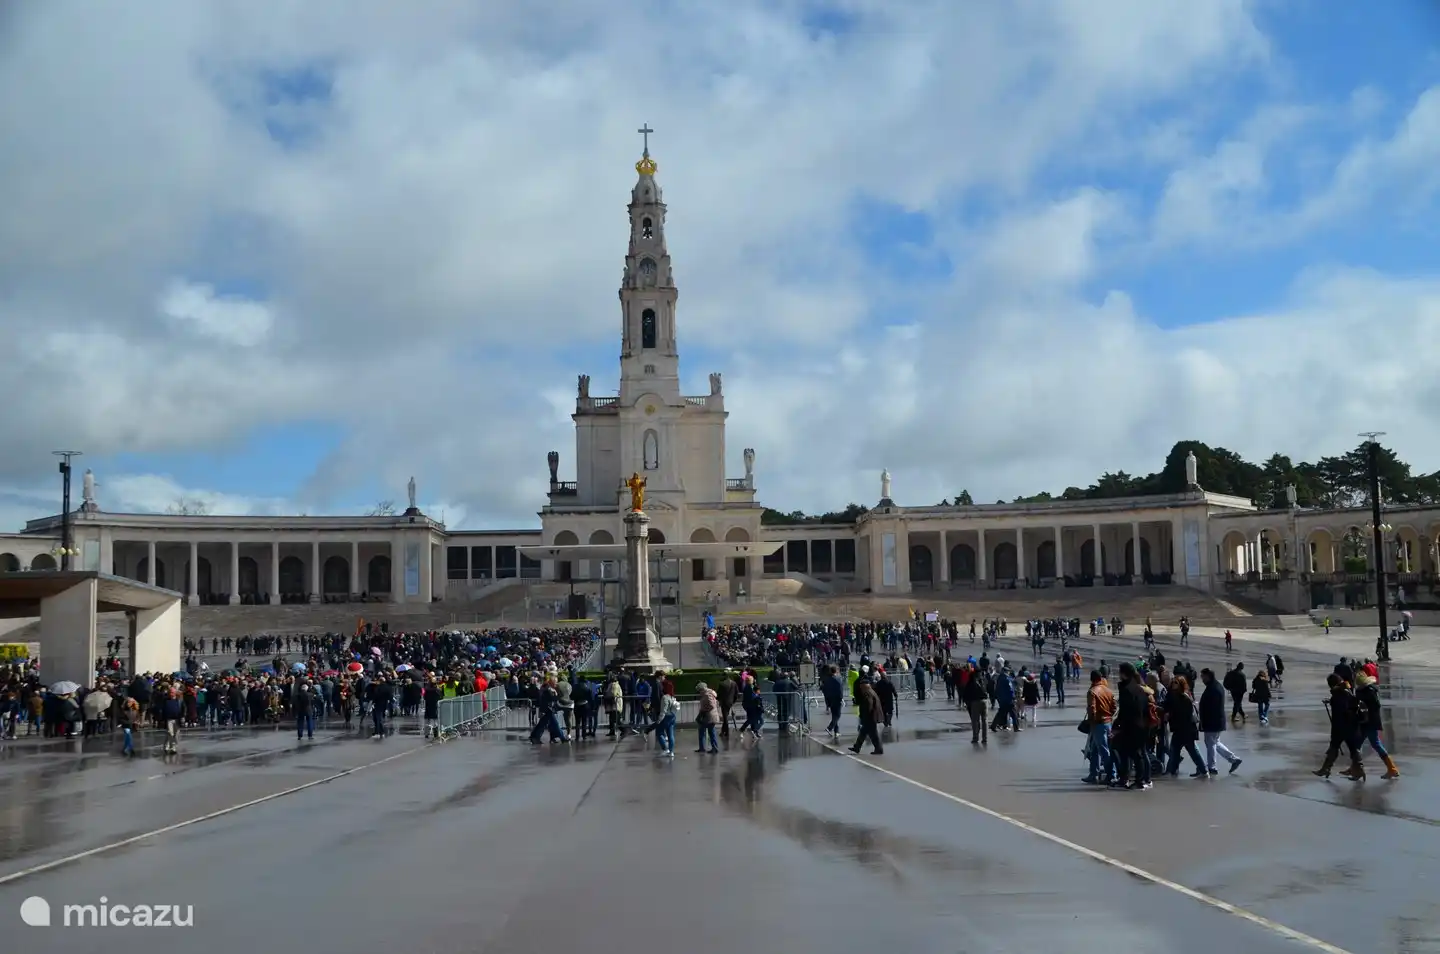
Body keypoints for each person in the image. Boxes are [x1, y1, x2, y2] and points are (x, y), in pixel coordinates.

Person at [1313, 672, 1363, 780]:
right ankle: (1359, 770)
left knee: (1334, 747)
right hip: (1351, 725)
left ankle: (1326, 769)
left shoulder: (1338, 693)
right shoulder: (1346, 690)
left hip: (1341, 726)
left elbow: (1340, 709)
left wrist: (1336, 727)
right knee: (1352, 749)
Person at [1353, 671, 1399, 779]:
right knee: (1357, 745)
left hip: (1367, 723)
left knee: (1373, 744)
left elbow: (1362, 707)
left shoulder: (1365, 692)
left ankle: (1392, 769)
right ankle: (1355, 769)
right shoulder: (1372, 690)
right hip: (1370, 722)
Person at [1114, 663, 1152, 790]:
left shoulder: (1127, 690)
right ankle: (1131, 779)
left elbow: (1125, 710)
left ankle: (1135, 781)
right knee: (1132, 753)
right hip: (1141, 725)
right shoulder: (1139, 688)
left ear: (1124, 674)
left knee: (1133, 754)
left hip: (1131, 726)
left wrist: (1117, 725)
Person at [1198, 668, 1242, 776]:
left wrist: (1205, 721)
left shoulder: (1213, 689)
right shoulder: (1215, 686)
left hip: (1213, 721)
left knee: (1211, 743)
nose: (1202, 679)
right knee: (1215, 743)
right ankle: (1233, 759)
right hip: (1216, 721)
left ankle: (1212, 767)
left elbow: (1211, 708)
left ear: (1208, 676)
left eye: (1203, 677)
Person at [1162, 675, 1207, 777]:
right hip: (1179, 729)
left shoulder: (1184, 697)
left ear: (1181, 684)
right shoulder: (1174, 696)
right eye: (1173, 682)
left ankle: (1204, 771)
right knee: (1175, 751)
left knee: (1192, 751)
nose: (1173, 684)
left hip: (1186, 730)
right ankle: (1172, 771)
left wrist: (1170, 715)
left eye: (1176, 683)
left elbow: (1185, 715)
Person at [1082, 670, 1115, 785]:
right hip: (1108, 722)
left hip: (1098, 724)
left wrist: (1092, 721)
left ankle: (1111, 774)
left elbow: (1092, 709)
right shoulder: (1108, 690)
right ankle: (1093, 774)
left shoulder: (1092, 692)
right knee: (1095, 749)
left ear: (1091, 679)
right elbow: (1114, 707)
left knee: (1103, 750)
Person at [850, 671, 884, 755]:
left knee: (873, 734)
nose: (860, 688)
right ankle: (857, 747)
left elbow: (868, 705)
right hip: (871, 716)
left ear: (864, 686)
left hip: (870, 716)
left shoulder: (867, 693)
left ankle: (878, 749)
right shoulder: (870, 691)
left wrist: (864, 716)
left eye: (861, 686)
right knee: (863, 732)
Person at [694, 681, 719, 753]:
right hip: (711, 716)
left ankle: (703, 748)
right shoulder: (709, 693)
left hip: (708, 716)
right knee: (711, 732)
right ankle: (713, 748)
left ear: (702, 689)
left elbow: (711, 705)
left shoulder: (707, 695)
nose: (699, 692)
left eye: (699, 690)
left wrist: (704, 710)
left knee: (702, 731)